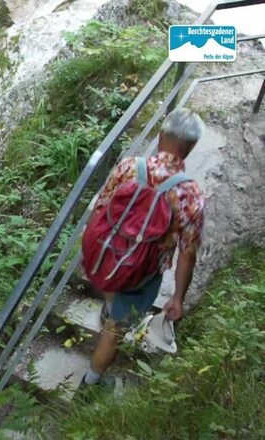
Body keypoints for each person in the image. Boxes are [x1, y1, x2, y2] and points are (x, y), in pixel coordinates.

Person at [81, 108, 206, 387]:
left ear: (161, 136)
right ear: (192, 147)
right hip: (143, 272)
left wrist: (89, 249)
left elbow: (100, 209)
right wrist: (177, 298)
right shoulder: (191, 194)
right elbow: (188, 251)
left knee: (113, 281)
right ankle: (89, 384)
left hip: (108, 256)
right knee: (114, 333)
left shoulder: (129, 167)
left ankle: (111, 305)